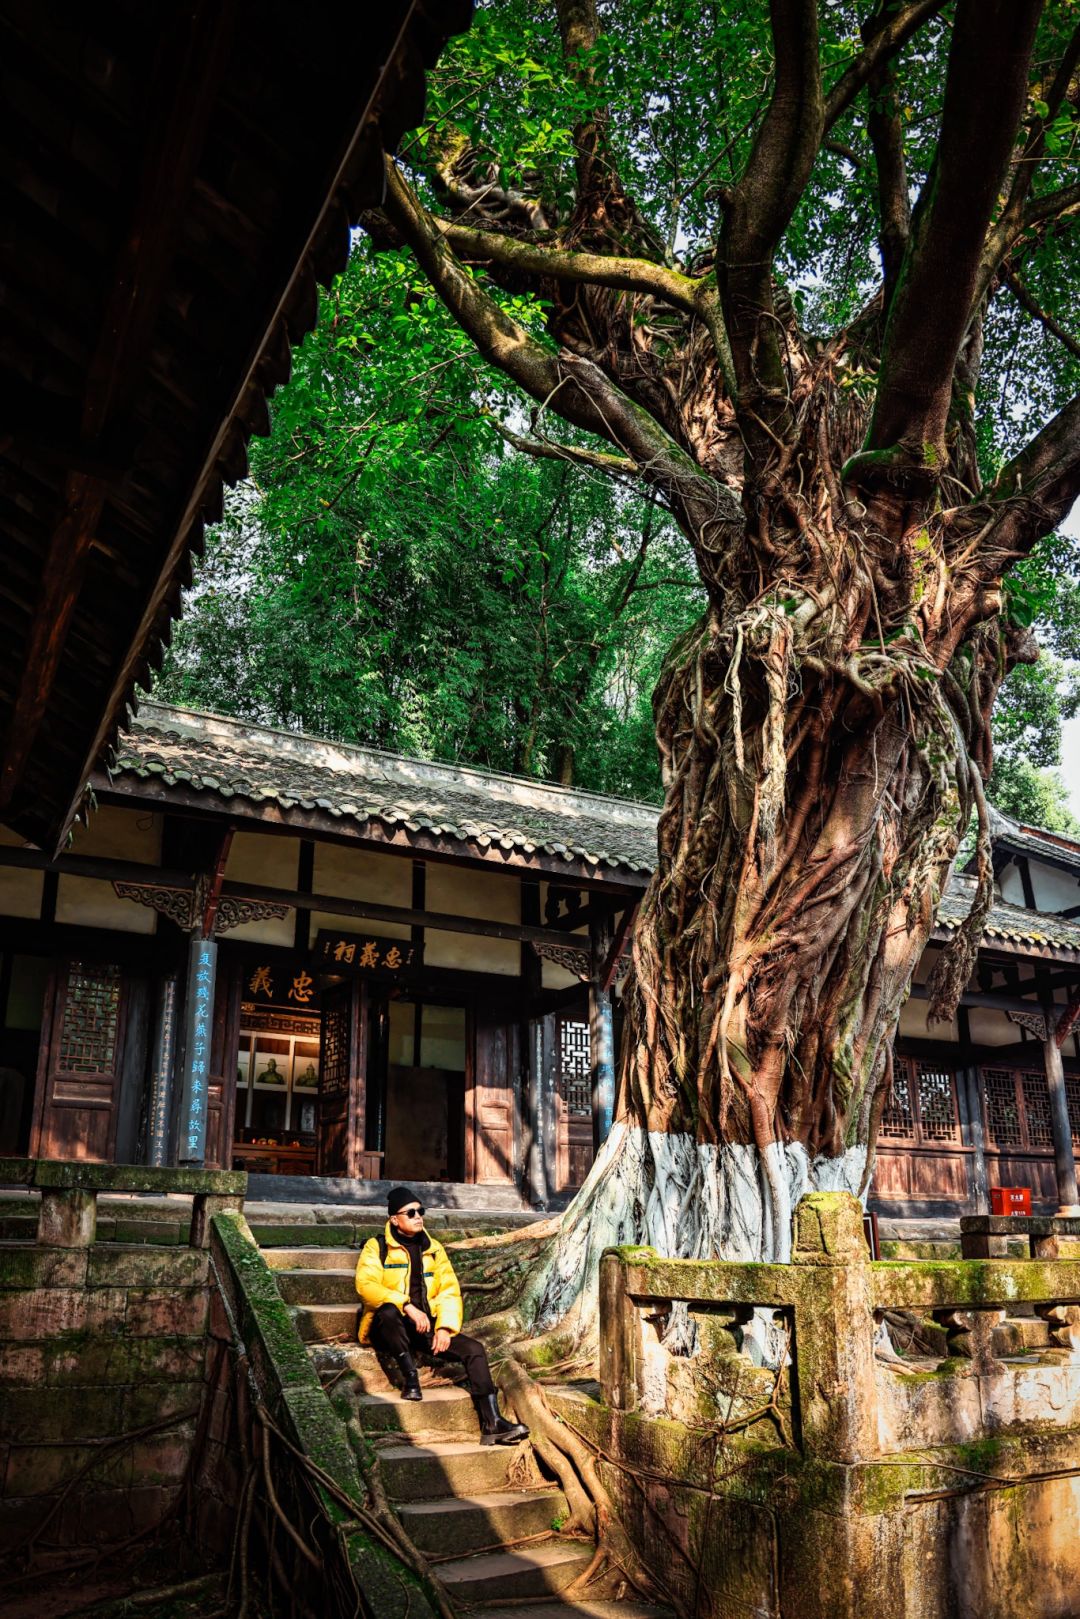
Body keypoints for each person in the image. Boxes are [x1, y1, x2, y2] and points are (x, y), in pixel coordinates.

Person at [355, 1186, 528, 1446]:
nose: (418, 1217)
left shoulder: (433, 1249)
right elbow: (366, 1286)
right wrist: (407, 1305)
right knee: (389, 1311)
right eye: (410, 1212)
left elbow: (449, 1290)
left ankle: (492, 1421)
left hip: (423, 1327)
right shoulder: (377, 1247)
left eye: (420, 1211)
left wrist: (445, 1327)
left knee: (474, 1350)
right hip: (387, 1328)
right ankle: (410, 1376)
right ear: (394, 1219)